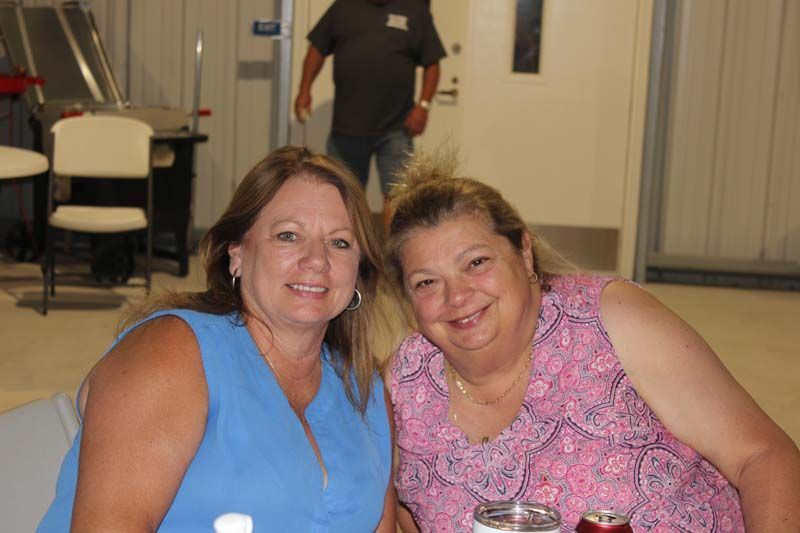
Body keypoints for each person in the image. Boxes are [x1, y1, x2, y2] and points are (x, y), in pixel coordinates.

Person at [382, 152, 800, 532]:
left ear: (524, 253)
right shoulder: (400, 389)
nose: (457, 297)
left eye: (476, 262)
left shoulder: (609, 320)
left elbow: (763, 457)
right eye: (427, 283)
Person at [38, 146, 395, 532]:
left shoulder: (365, 390)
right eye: (288, 235)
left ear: (358, 268)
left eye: (339, 242)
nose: (316, 260)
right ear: (236, 254)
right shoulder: (173, 352)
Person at [294, 0, 446, 224]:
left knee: (399, 198)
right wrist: (304, 90)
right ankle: (348, 254)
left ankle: (392, 258)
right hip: (347, 128)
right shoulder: (343, 8)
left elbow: (432, 63)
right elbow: (316, 49)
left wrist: (423, 106)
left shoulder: (415, 10)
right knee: (342, 197)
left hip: (397, 128)